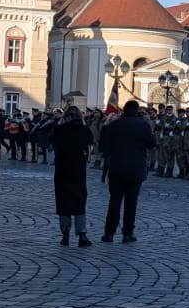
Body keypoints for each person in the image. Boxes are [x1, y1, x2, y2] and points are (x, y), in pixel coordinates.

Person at [99, 100, 155, 243]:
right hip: (135, 168)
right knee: (131, 202)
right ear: (137, 110)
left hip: (117, 167)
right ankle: (127, 233)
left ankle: (109, 233)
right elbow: (151, 144)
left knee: (114, 201)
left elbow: (105, 145)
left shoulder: (114, 124)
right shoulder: (143, 125)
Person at [50, 106, 94, 247]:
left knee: (63, 201)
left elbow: (53, 141)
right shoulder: (84, 129)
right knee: (79, 200)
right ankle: (82, 234)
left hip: (62, 168)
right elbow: (90, 141)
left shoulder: (59, 129)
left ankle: (65, 233)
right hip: (78, 169)